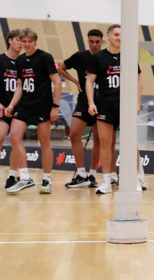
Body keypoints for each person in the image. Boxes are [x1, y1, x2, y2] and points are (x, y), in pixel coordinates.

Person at [86, 24, 145, 194]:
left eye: (122, 35)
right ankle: (106, 180)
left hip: (125, 105)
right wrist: (91, 102)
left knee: (130, 143)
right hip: (105, 104)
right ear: (109, 37)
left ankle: (134, 179)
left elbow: (139, 80)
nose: (120, 38)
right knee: (105, 142)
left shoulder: (129, 56)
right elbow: (89, 81)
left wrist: (137, 102)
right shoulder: (98, 57)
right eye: (117, 34)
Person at [5, 28, 62, 194]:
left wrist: (55, 106)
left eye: (30, 41)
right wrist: (11, 104)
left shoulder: (45, 57)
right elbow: (20, 86)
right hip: (24, 106)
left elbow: (57, 82)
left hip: (42, 106)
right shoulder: (20, 60)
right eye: (24, 41)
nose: (27, 44)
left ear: (35, 41)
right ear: (20, 42)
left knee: (44, 142)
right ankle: (24, 177)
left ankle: (46, 180)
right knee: (14, 136)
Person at [59, 29, 104, 188]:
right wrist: (76, 82)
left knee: (98, 139)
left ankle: (92, 174)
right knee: (74, 134)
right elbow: (61, 68)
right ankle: (81, 173)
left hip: (102, 103)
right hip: (84, 101)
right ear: (88, 41)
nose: (94, 45)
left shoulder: (105, 58)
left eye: (97, 42)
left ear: (102, 42)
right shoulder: (80, 57)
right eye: (91, 41)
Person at [0, 30, 22, 191]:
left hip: (19, 108)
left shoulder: (25, 62)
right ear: (10, 40)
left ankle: (11, 176)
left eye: (23, 41)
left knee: (16, 141)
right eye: (18, 40)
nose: (21, 44)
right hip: (1, 107)